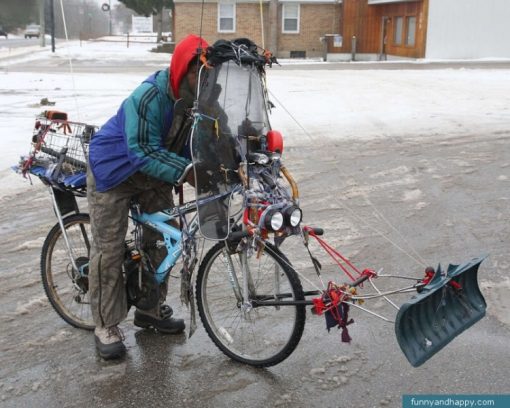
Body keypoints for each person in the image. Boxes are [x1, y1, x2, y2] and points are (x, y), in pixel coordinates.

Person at [87, 34, 209, 360]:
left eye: (206, 75)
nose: (202, 81)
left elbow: (203, 142)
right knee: (109, 250)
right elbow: (142, 150)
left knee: (165, 238)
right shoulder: (150, 97)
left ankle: (150, 310)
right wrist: (187, 171)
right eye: (197, 73)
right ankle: (106, 325)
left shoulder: (194, 103)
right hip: (113, 172)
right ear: (182, 71)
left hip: (154, 174)